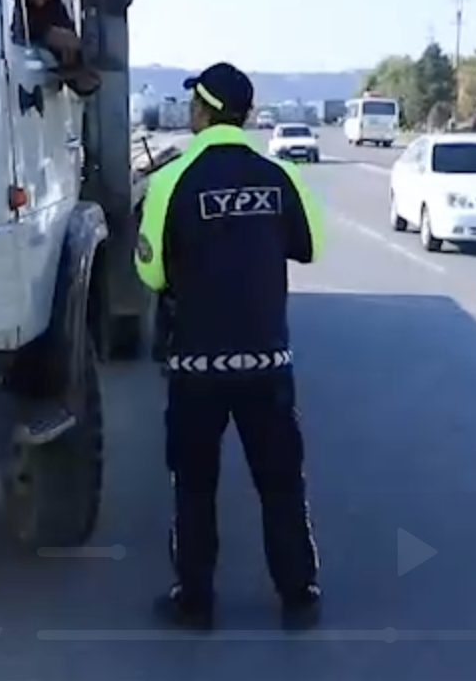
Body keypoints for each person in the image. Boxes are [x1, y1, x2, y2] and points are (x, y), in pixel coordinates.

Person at [134, 62, 324, 633]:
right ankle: (299, 595)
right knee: (281, 481)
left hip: (197, 367)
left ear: (203, 111)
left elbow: (149, 271)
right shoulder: (278, 173)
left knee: (194, 484)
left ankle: (195, 601)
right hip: (268, 363)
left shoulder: (173, 180)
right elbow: (309, 245)